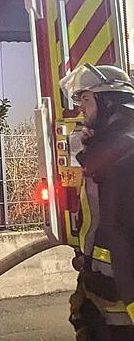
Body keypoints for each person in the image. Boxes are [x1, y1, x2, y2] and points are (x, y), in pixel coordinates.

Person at [60, 64, 134, 339]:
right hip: (101, 292)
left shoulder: (124, 150)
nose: (80, 108)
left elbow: (122, 234)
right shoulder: (110, 146)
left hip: (123, 300)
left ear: (108, 100)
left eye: (85, 99)